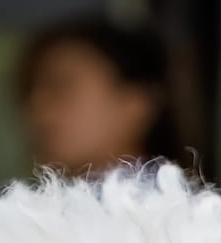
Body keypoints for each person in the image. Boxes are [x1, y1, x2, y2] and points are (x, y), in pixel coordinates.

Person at [15, 16, 189, 176]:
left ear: (137, 102)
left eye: (61, 87)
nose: (38, 107)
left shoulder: (173, 208)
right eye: (28, 92)